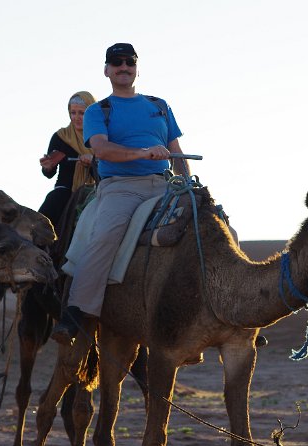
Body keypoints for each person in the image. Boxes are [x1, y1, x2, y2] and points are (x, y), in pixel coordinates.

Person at [51, 43, 187, 345]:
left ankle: (227, 311)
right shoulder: (99, 111)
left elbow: (176, 153)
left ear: (137, 67)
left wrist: (188, 185)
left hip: (164, 185)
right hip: (121, 188)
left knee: (214, 224)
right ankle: (75, 313)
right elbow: (100, 149)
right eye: (116, 63)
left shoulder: (159, 105)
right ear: (106, 70)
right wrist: (144, 152)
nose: (123, 67)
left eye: (129, 62)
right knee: (104, 236)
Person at [38, 91, 96, 224]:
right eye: (73, 112)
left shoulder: (99, 138)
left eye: (82, 113)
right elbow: (49, 174)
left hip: (92, 191)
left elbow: (106, 171)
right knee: (52, 203)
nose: (76, 117)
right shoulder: (60, 136)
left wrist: (93, 161)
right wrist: (48, 167)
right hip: (65, 190)